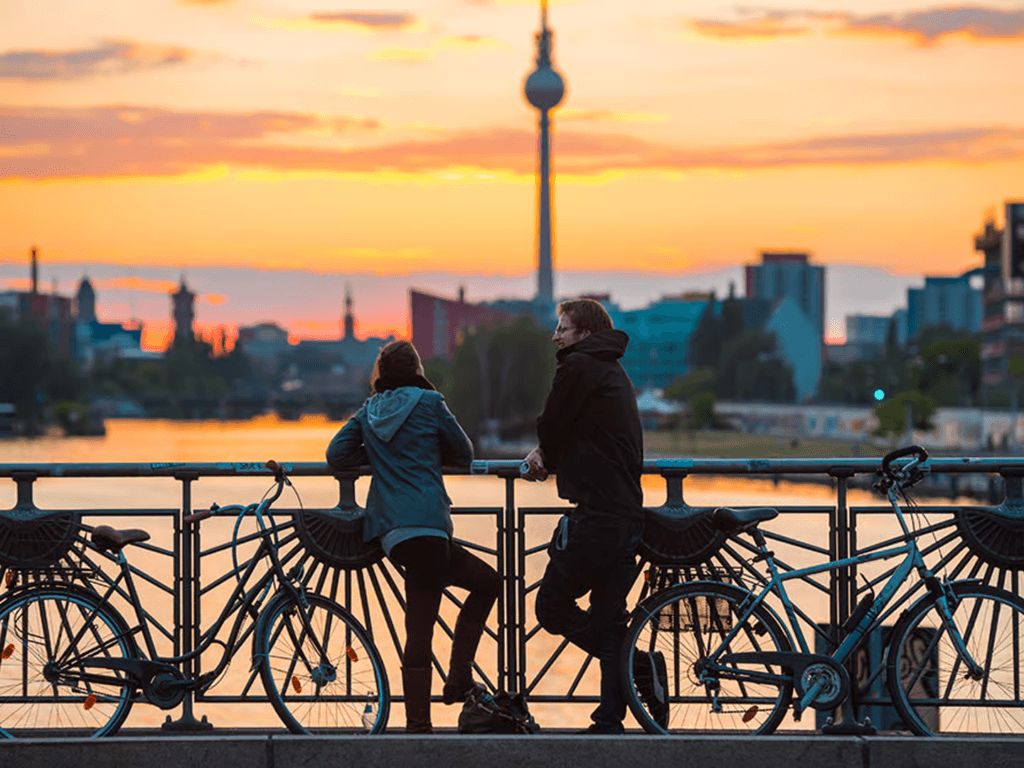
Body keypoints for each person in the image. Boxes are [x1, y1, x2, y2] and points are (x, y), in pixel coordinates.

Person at [327, 340, 500, 734]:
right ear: (417, 369)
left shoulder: (368, 411)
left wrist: (376, 458)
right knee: (480, 588)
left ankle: (444, 696)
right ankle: (429, 712)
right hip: (428, 526)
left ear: (381, 374)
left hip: (391, 532)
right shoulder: (430, 403)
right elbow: (464, 452)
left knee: (429, 614)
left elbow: (336, 455)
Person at [523, 298, 646, 734]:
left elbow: (553, 421)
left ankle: (638, 668)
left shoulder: (579, 366)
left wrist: (544, 452)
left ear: (584, 335)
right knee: (609, 618)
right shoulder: (612, 369)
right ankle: (611, 715)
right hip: (627, 513)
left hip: (599, 515)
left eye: (563, 329)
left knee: (552, 607)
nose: (555, 336)